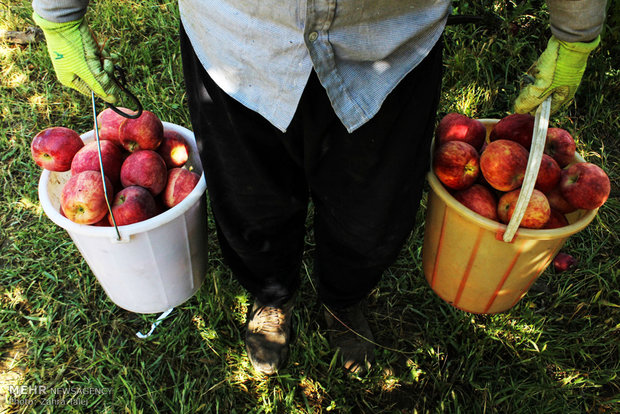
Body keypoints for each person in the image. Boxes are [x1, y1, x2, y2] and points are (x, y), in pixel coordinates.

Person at [32, 0, 607, 375]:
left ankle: (344, 298)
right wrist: (59, 13)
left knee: (373, 209)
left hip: (388, 41)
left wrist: (577, 26)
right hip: (236, 38)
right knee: (249, 198)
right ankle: (271, 296)